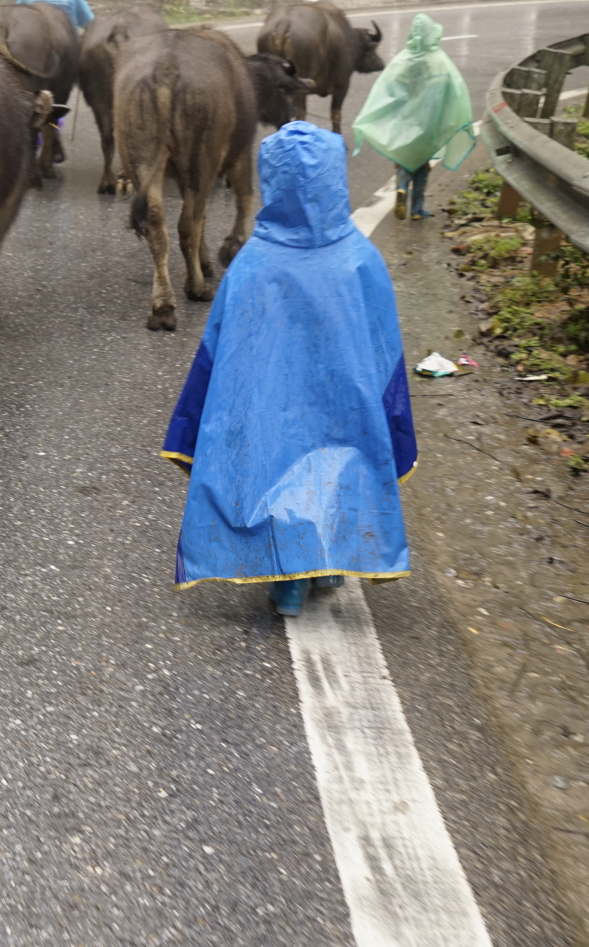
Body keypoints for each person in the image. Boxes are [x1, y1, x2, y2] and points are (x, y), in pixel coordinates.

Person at [160, 121, 418, 617]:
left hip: (271, 410)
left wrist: (199, 415)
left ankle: (286, 585)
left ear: (270, 180)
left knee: (274, 469)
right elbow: (385, 349)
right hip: (344, 406)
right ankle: (328, 564)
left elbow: (219, 351)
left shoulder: (253, 265)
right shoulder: (361, 261)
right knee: (340, 466)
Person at [350, 12, 475, 221]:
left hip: (405, 120)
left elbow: (388, 90)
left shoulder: (403, 59)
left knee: (404, 159)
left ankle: (401, 187)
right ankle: (417, 209)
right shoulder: (438, 60)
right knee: (423, 164)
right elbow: (454, 90)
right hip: (429, 122)